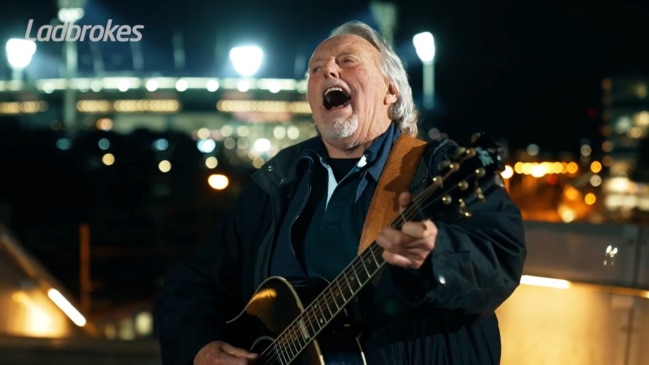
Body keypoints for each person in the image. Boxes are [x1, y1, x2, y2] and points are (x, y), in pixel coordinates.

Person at [154, 20, 527, 365]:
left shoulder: (438, 169)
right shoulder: (280, 180)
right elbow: (191, 283)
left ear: (391, 92)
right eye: (315, 69)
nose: (328, 71)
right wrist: (199, 347)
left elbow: (500, 261)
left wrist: (437, 256)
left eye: (347, 61)